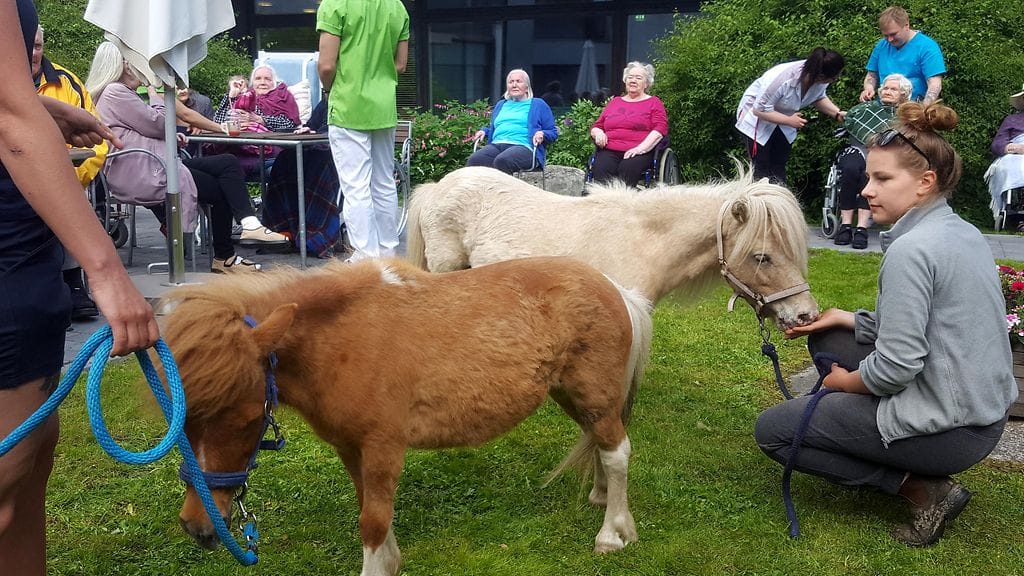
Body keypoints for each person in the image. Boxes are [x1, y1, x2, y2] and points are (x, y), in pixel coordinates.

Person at [755, 102, 1016, 547]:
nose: (865, 190)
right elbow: (935, 326)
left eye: (882, 179)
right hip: (983, 414)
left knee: (775, 432)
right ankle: (887, 444)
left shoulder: (912, 251)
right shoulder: (960, 231)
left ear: (924, 182)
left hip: (954, 430)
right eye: (869, 177)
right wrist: (845, 318)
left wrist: (844, 383)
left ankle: (924, 488)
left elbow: (896, 368)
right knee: (832, 335)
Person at [0, 1, 159, 573]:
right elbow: (7, 119)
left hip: (23, 249)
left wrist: (38, 106)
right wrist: (108, 270)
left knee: (30, 463)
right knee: (8, 475)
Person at [86, 41, 289, 273]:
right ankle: (226, 255)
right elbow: (160, 123)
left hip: (149, 164)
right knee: (222, 185)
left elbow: (138, 130)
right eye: (136, 63)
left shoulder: (113, 93)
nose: (142, 69)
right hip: (146, 171)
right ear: (122, 65)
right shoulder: (116, 92)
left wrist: (170, 138)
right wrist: (154, 94)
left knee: (227, 164)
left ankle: (248, 226)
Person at [317, 0, 409, 262]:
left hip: (348, 105)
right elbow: (400, 65)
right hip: (383, 106)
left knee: (356, 186)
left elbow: (326, 65)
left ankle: (365, 258)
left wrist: (329, 90)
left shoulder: (335, 5)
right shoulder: (397, 7)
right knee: (383, 183)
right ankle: (389, 253)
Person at [31, 24, 107, 320]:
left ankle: (74, 283)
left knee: (70, 196)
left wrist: (75, 177)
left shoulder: (67, 83)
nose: (33, 52)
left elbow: (98, 140)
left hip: (64, 175)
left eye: (38, 46)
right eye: (28, 45)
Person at [736, 47, 846, 185]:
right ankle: (759, 204)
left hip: (785, 121)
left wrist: (837, 113)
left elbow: (818, 98)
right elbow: (759, 110)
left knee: (779, 165)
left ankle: (780, 202)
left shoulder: (818, 76)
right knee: (761, 168)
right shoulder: (781, 79)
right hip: (757, 119)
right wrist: (789, 120)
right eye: (834, 78)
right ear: (821, 76)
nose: (835, 80)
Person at [833, 73, 913, 249]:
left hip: (887, 153)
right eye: (885, 88)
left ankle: (861, 227)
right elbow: (848, 120)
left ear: (904, 94)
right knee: (851, 169)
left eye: (893, 89)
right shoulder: (864, 109)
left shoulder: (906, 115)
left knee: (871, 174)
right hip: (858, 148)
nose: (888, 91)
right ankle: (845, 225)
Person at [262, 98, 342, 258]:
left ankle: (316, 234)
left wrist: (319, 133)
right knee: (285, 158)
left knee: (319, 162)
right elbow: (311, 124)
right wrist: (306, 130)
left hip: (339, 150)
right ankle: (282, 227)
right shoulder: (327, 101)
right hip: (316, 146)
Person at [589, 61, 669, 187]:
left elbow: (660, 129)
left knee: (627, 168)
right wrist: (598, 133)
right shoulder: (615, 102)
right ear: (625, 81)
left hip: (639, 151)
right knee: (602, 168)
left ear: (646, 83)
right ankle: (603, 203)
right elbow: (598, 125)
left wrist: (640, 149)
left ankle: (623, 204)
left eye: (638, 78)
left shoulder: (654, 102)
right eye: (630, 77)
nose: (633, 80)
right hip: (610, 149)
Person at [213, 65, 301, 176]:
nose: (262, 82)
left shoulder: (282, 96)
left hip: (268, 150)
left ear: (274, 82)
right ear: (252, 83)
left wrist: (261, 120)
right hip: (236, 148)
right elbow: (217, 122)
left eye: (267, 79)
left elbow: (290, 123)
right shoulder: (244, 96)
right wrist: (232, 96)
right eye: (258, 79)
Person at [467, 69, 558, 175]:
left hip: (524, 147)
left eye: (518, 81)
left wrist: (542, 133)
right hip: (497, 145)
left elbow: (552, 132)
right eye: (511, 82)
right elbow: (497, 127)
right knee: (475, 160)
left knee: (503, 161)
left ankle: (501, 191)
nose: (514, 85)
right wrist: (484, 131)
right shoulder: (501, 104)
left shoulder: (538, 104)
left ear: (527, 87)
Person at [859, 6, 945, 104]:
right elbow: (871, 76)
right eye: (885, 35)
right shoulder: (881, 45)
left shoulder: (927, 47)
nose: (889, 39)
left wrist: (924, 109)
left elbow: (934, 84)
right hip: (885, 108)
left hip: (914, 109)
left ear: (906, 25)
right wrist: (868, 89)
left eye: (893, 34)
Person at [984, 86, 1024, 225]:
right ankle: (1015, 213)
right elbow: (997, 144)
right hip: (1015, 153)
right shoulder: (1012, 120)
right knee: (1010, 167)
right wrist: (1013, 147)